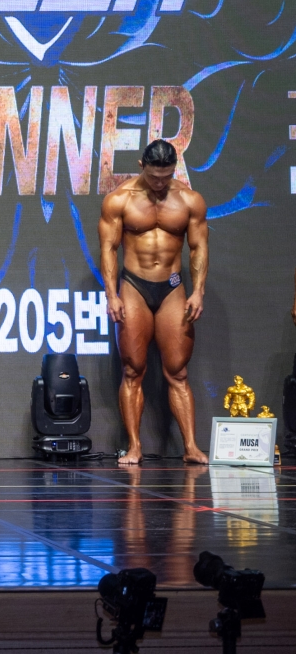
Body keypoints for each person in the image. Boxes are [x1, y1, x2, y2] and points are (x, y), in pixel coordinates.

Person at [98, 139, 209, 465]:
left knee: (178, 371)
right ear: (141, 166)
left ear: (174, 170)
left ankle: (191, 447)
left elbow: (198, 247)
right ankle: (134, 446)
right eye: (153, 176)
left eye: (166, 176)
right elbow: (109, 249)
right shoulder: (119, 199)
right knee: (133, 369)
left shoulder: (189, 200)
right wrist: (111, 295)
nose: (160, 183)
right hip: (134, 286)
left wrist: (199, 291)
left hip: (172, 287)